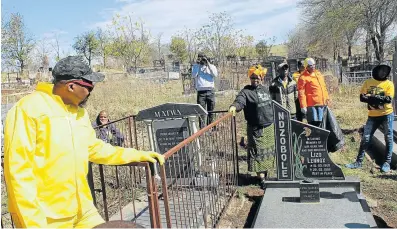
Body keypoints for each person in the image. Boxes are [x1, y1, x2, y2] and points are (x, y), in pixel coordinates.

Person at [3, 56, 164, 228]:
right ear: (71, 86)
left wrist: (137, 155)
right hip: (46, 218)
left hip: (83, 210)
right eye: (89, 87)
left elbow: (94, 148)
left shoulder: (79, 113)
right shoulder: (28, 109)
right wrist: (34, 223)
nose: (90, 92)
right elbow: (18, 171)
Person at [228, 64, 274, 188]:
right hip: (256, 128)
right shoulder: (246, 91)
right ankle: (261, 179)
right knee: (257, 153)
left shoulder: (265, 89)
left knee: (268, 154)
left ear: (262, 78)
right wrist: (234, 107)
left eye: (257, 77)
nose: (255, 80)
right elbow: (240, 101)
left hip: (269, 126)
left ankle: (265, 173)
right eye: (253, 77)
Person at [345, 64, 394, 173]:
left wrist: (371, 97)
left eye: (386, 71)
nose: (384, 73)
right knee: (366, 138)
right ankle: (358, 162)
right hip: (372, 115)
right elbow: (362, 97)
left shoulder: (389, 84)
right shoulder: (368, 82)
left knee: (388, 137)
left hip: (387, 115)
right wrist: (376, 99)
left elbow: (388, 99)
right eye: (382, 70)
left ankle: (387, 163)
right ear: (377, 70)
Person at [298, 57, 330, 126]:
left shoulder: (318, 74)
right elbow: (301, 93)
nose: (312, 67)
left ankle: (321, 136)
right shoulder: (303, 77)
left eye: (314, 65)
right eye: (310, 66)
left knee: (321, 122)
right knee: (314, 123)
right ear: (306, 67)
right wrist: (303, 106)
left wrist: (327, 98)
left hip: (321, 103)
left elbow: (323, 87)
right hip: (311, 104)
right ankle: (314, 136)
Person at [192, 52, 218, 127]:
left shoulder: (212, 66)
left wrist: (208, 64)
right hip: (201, 93)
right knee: (201, 112)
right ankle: (202, 129)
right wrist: (198, 65)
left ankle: (211, 127)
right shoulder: (196, 66)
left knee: (211, 111)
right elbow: (194, 75)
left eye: (203, 58)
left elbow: (215, 74)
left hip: (210, 91)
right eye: (200, 58)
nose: (202, 60)